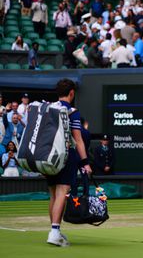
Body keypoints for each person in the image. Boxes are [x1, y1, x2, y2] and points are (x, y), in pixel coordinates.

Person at [46, 79, 92, 246]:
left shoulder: (49, 108)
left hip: (49, 157)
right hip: (65, 157)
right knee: (62, 193)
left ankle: (54, 230)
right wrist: (85, 162)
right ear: (71, 93)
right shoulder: (72, 112)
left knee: (53, 194)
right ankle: (54, 232)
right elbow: (78, 140)